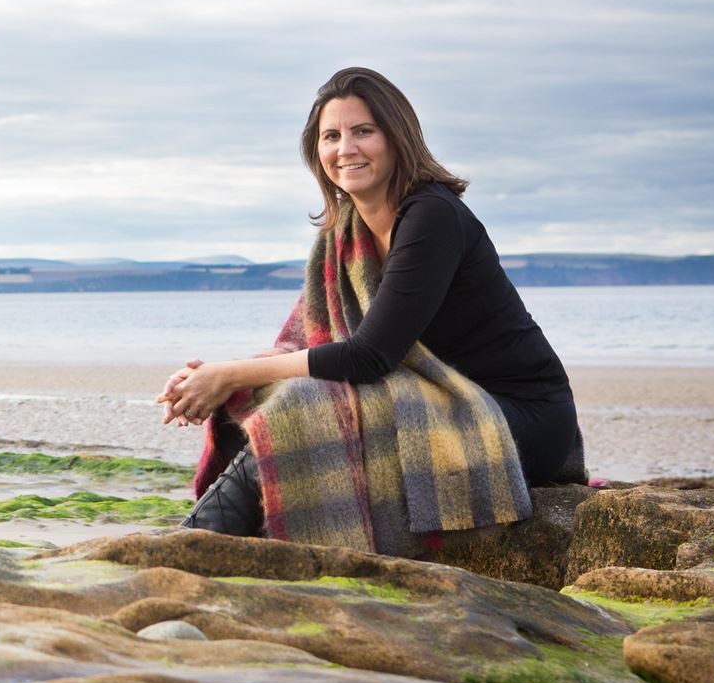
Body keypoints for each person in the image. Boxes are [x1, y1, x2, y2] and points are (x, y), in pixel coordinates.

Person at [158, 66, 583, 541]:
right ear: (316, 151)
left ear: (397, 138)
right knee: (273, 392)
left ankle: (193, 544)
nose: (345, 149)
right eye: (331, 136)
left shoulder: (432, 216)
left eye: (364, 131)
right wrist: (210, 378)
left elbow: (368, 356)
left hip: (515, 417)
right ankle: (218, 541)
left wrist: (229, 372)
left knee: (306, 401)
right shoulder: (344, 230)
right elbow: (301, 345)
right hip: (425, 399)